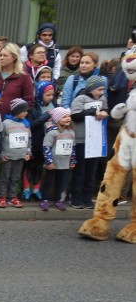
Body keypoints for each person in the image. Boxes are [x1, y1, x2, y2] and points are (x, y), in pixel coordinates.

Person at [69, 75, 109, 209]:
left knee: (91, 171)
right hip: (81, 140)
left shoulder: (103, 99)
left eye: (103, 89)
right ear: (91, 88)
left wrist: (104, 112)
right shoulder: (80, 99)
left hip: (96, 140)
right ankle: (76, 197)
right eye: (99, 89)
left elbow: (106, 109)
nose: (101, 92)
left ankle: (87, 197)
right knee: (80, 171)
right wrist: (93, 112)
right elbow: (76, 116)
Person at [0, 99, 31, 207]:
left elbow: (29, 139)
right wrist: (1, 154)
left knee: (16, 178)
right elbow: (0, 139)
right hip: (8, 157)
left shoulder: (26, 124)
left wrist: (28, 152)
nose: (26, 113)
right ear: (16, 111)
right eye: (23, 111)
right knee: (5, 177)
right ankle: (2, 197)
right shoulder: (6, 123)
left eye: (26, 111)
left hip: (20, 157)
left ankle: (13, 197)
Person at [40, 107, 76, 210]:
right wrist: (49, 161)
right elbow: (46, 147)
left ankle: (58, 200)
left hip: (65, 163)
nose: (67, 118)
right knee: (48, 182)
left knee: (61, 183)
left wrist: (73, 160)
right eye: (64, 117)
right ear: (57, 119)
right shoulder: (52, 132)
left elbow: (72, 147)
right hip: (53, 163)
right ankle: (44, 200)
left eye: (68, 116)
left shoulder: (71, 132)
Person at [25, 80, 56, 201]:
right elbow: (31, 125)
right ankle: (26, 189)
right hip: (35, 142)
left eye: (52, 95)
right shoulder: (33, 108)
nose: (50, 97)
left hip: (47, 142)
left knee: (39, 167)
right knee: (30, 166)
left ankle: (37, 190)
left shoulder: (53, 107)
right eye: (47, 95)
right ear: (39, 94)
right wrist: (45, 117)